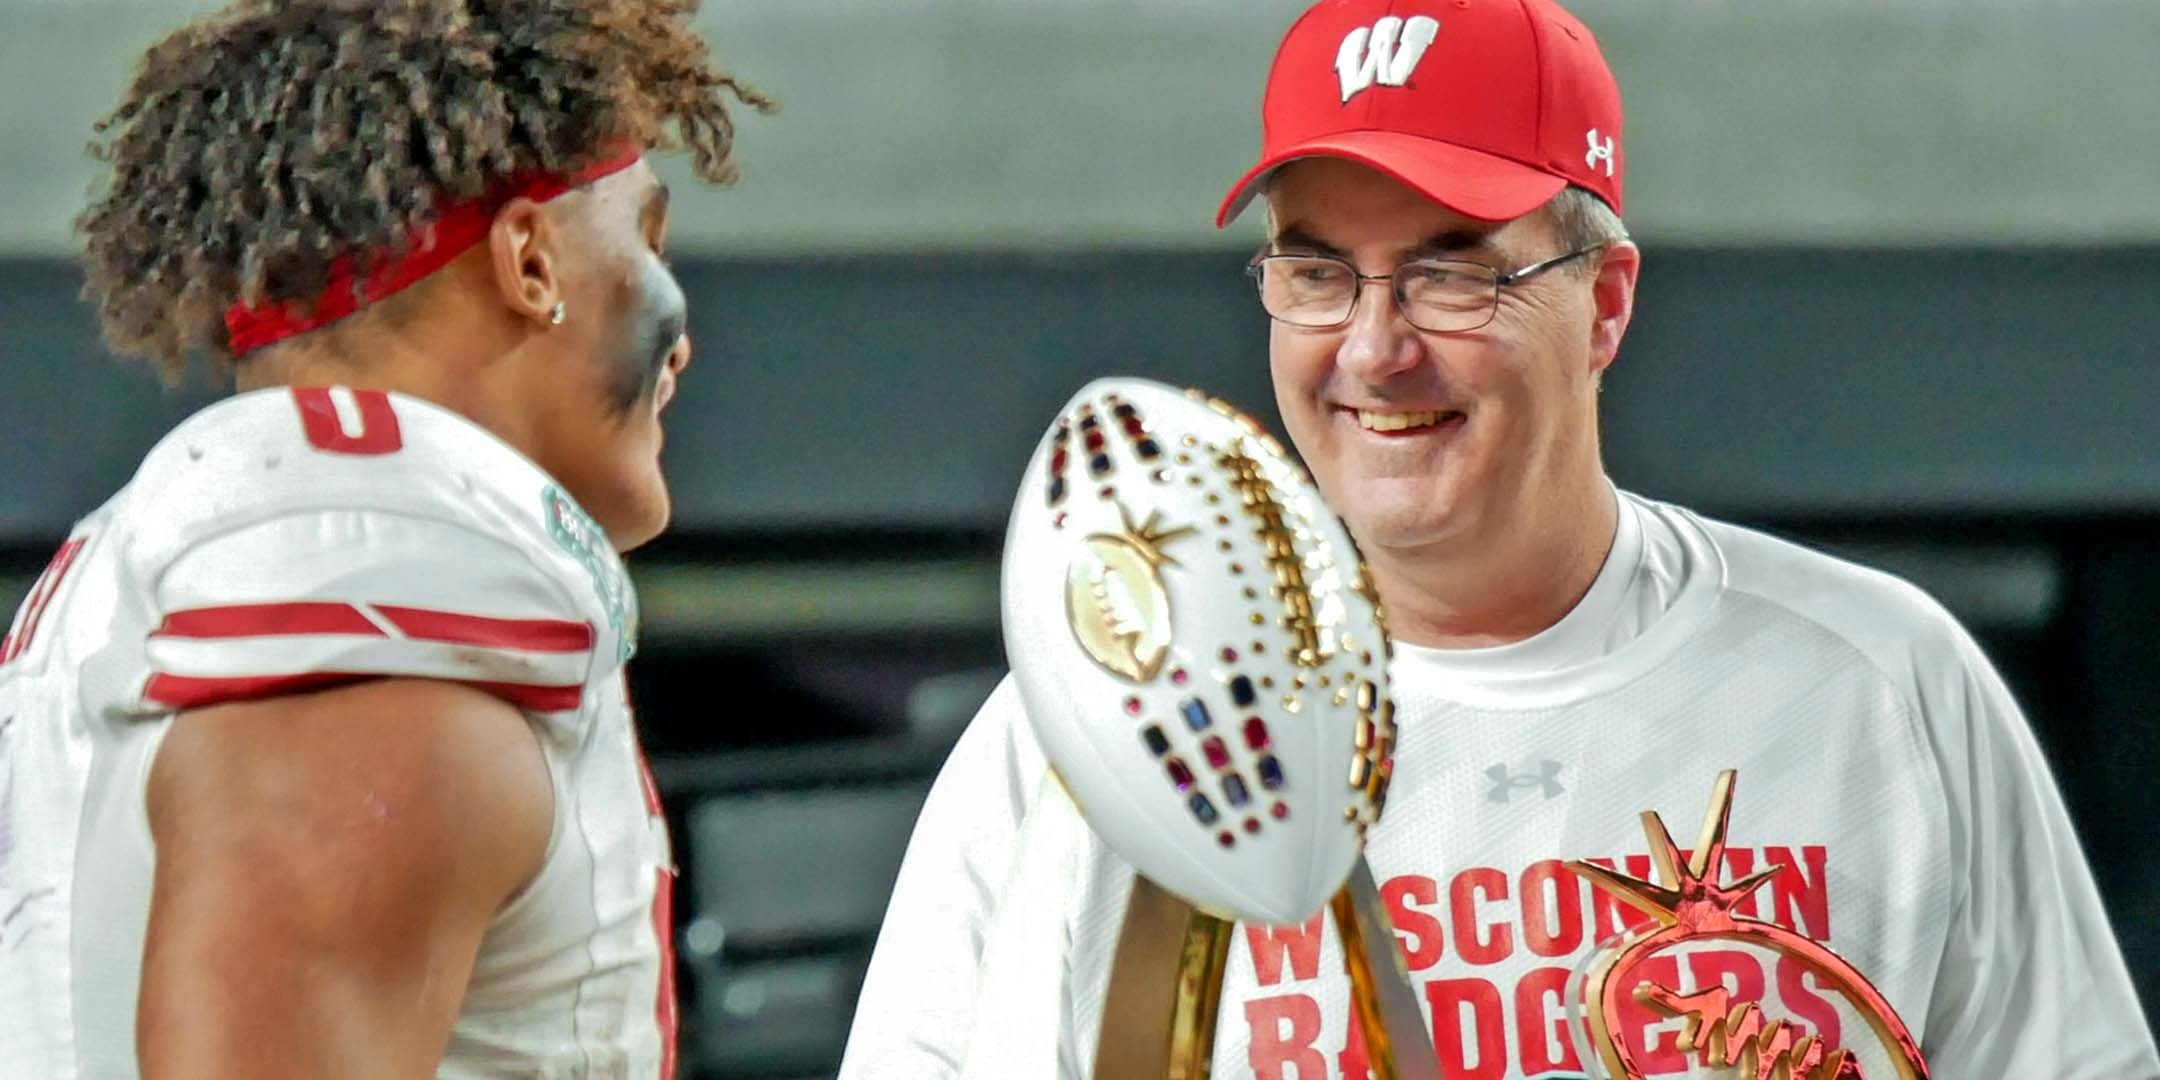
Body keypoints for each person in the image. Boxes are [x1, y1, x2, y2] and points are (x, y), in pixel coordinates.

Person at [839, 0, 2158, 1076]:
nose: (1373, 345)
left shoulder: (1880, 683)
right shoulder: (1103, 737)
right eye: (1315, 271)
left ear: (1605, 304)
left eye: (1452, 268)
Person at [0, 1, 771, 1076]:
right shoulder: (375, 576)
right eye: (644, 239)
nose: (682, 326)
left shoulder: (198, 551)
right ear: (533, 262)